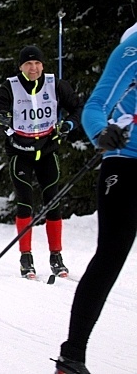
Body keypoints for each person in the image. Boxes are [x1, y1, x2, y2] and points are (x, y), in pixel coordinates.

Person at [55, 22, 137, 374]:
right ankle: (72, 357)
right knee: (111, 254)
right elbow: (95, 106)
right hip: (126, 160)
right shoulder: (131, 51)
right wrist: (102, 133)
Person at [0, 45, 84, 279]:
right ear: (20, 67)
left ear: (43, 65)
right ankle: (26, 258)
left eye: (37, 63)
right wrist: (0, 120)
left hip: (48, 151)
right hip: (21, 152)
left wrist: (68, 125)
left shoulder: (55, 84)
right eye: (28, 64)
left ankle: (56, 257)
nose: (34, 68)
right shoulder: (9, 87)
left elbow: (79, 108)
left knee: (53, 203)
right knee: (25, 203)